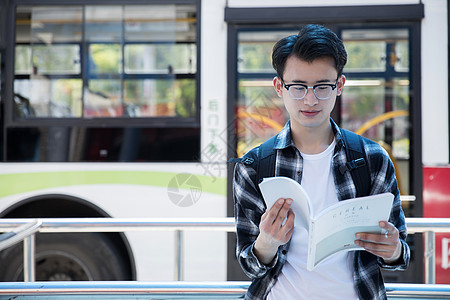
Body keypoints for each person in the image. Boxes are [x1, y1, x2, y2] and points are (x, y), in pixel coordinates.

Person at [232, 24, 410, 300]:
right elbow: (249, 265)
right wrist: (265, 244)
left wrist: (394, 250)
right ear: (280, 87)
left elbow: (399, 253)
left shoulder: (373, 159)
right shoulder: (254, 166)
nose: (311, 99)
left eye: (323, 86)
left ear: (339, 85)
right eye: (298, 87)